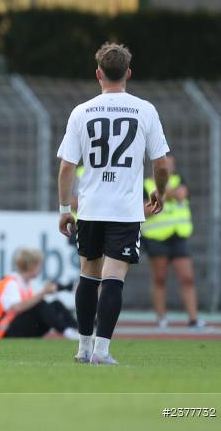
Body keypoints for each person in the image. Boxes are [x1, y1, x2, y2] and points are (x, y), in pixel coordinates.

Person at [57, 42, 170, 365]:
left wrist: (65, 210)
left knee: (88, 275)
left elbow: (66, 167)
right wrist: (159, 192)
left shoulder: (81, 111)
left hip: (91, 207)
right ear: (128, 74)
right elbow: (161, 164)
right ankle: (102, 352)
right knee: (114, 277)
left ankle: (83, 348)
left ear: (98, 74)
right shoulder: (145, 110)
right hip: (125, 210)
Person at [142, 155, 205, 329]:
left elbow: (181, 195)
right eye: (164, 165)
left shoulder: (179, 179)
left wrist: (161, 194)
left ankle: (193, 319)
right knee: (160, 278)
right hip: (156, 237)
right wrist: (168, 195)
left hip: (178, 236)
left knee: (187, 278)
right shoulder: (145, 185)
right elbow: (144, 210)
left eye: (170, 165)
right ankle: (161, 318)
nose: (167, 168)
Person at [0, 248, 78, 340]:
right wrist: (44, 292)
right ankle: (66, 332)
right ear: (32, 266)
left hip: (18, 327)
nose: (40, 268)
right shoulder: (11, 283)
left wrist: (46, 292)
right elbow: (16, 308)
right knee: (40, 304)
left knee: (56, 304)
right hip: (6, 331)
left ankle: (76, 330)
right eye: (39, 265)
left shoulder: (26, 283)